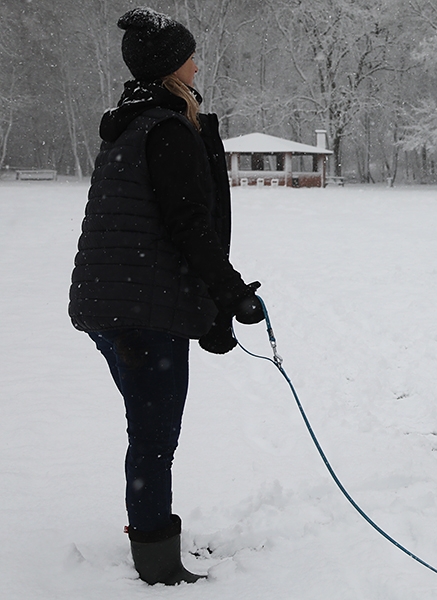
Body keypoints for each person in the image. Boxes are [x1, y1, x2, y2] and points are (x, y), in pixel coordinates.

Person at [68, 7, 264, 585]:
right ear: (171, 66)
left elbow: (164, 228)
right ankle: (157, 564)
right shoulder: (167, 129)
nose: (198, 63)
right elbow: (189, 227)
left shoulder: (131, 121)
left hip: (112, 303)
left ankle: (154, 535)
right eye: (190, 55)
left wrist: (213, 311)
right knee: (154, 438)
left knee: (147, 431)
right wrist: (232, 296)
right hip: (138, 311)